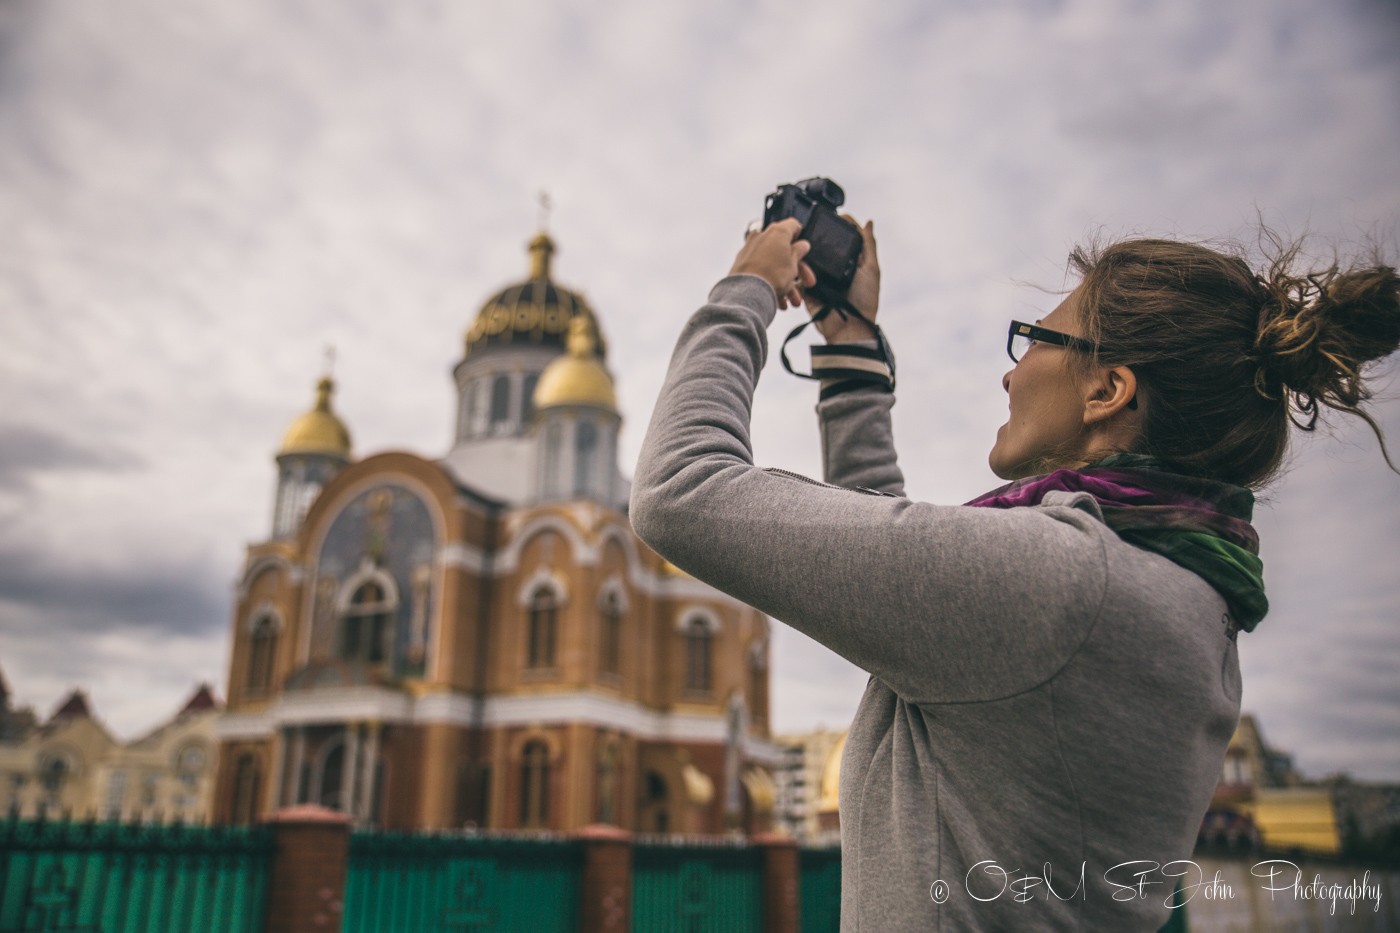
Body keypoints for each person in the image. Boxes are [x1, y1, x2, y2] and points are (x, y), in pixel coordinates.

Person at [629, 216, 1400, 931]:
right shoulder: (1179, 589)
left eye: (1034, 340)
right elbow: (906, 584)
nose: (1012, 374)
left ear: (1107, 389)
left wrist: (747, 288)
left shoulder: (1067, 585)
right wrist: (851, 343)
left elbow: (680, 490)